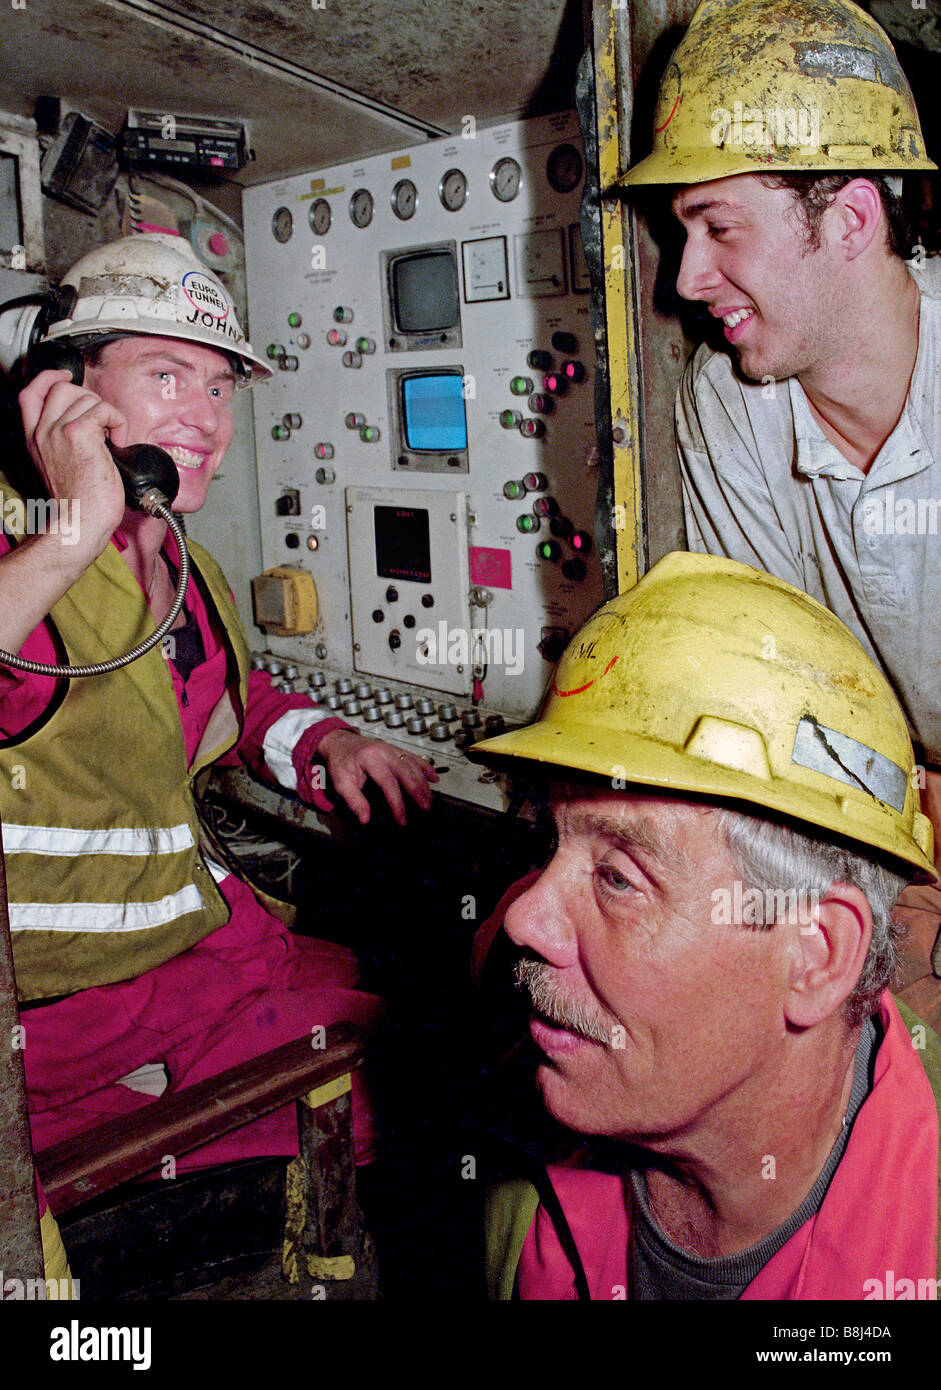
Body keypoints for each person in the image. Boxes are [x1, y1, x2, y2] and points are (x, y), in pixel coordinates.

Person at [0, 234, 436, 1201]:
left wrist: (330, 741)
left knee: (405, 992)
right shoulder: (23, 555)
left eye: (219, 386)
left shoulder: (177, 561)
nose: (203, 418)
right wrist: (70, 528)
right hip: (70, 1021)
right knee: (409, 1074)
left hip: (198, 951)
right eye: (167, 375)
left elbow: (219, 707)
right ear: (64, 388)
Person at [470, 551, 941, 1301]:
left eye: (619, 877)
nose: (526, 916)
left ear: (816, 956)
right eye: (551, 845)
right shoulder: (519, 1136)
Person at [615, 0, 941, 1023]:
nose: (686, 278)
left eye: (716, 226)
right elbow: (777, 678)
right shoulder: (729, 399)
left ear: (847, 219)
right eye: (680, 233)